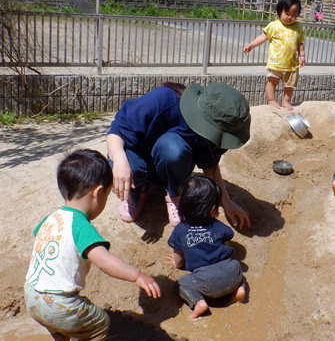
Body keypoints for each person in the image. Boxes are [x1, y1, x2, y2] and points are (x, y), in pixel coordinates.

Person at [24, 149, 161, 341]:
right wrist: (137, 275)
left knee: (58, 325)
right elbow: (104, 261)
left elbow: (40, 237)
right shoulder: (81, 226)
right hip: (59, 303)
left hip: (31, 295)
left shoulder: (51, 218)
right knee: (100, 323)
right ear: (98, 193)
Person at [106, 82, 251, 229]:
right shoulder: (163, 100)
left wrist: (225, 201)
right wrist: (119, 160)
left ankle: (174, 193)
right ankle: (138, 191)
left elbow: (210, 164)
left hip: (170, 167)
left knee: (172, 147)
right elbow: (116, 133)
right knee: (133, 165)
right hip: (136, 159)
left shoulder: (214, 134)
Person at [165, 173, 246, 318]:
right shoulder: (219, 226)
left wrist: (175, 262)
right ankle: (239, 288)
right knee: (235, 265)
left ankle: (198, 302)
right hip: (231, 273)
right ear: (213, 208)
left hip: (206, 283)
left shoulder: (180, 231)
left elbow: (179, 262)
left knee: (180, 283)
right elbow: (226, 248)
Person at [243, 0, 306, 111]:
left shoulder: (298, 27)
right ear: (279, 11)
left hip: (291, 64)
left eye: (294, 14)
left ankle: (286, 102)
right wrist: (251, 45)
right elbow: (263, 37)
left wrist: (302, 56)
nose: (290, 17)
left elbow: (300, 43)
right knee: (272, 82)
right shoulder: (274, 26)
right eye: (286, 13)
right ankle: (272, 100)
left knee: (290, 85)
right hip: (276, 63)